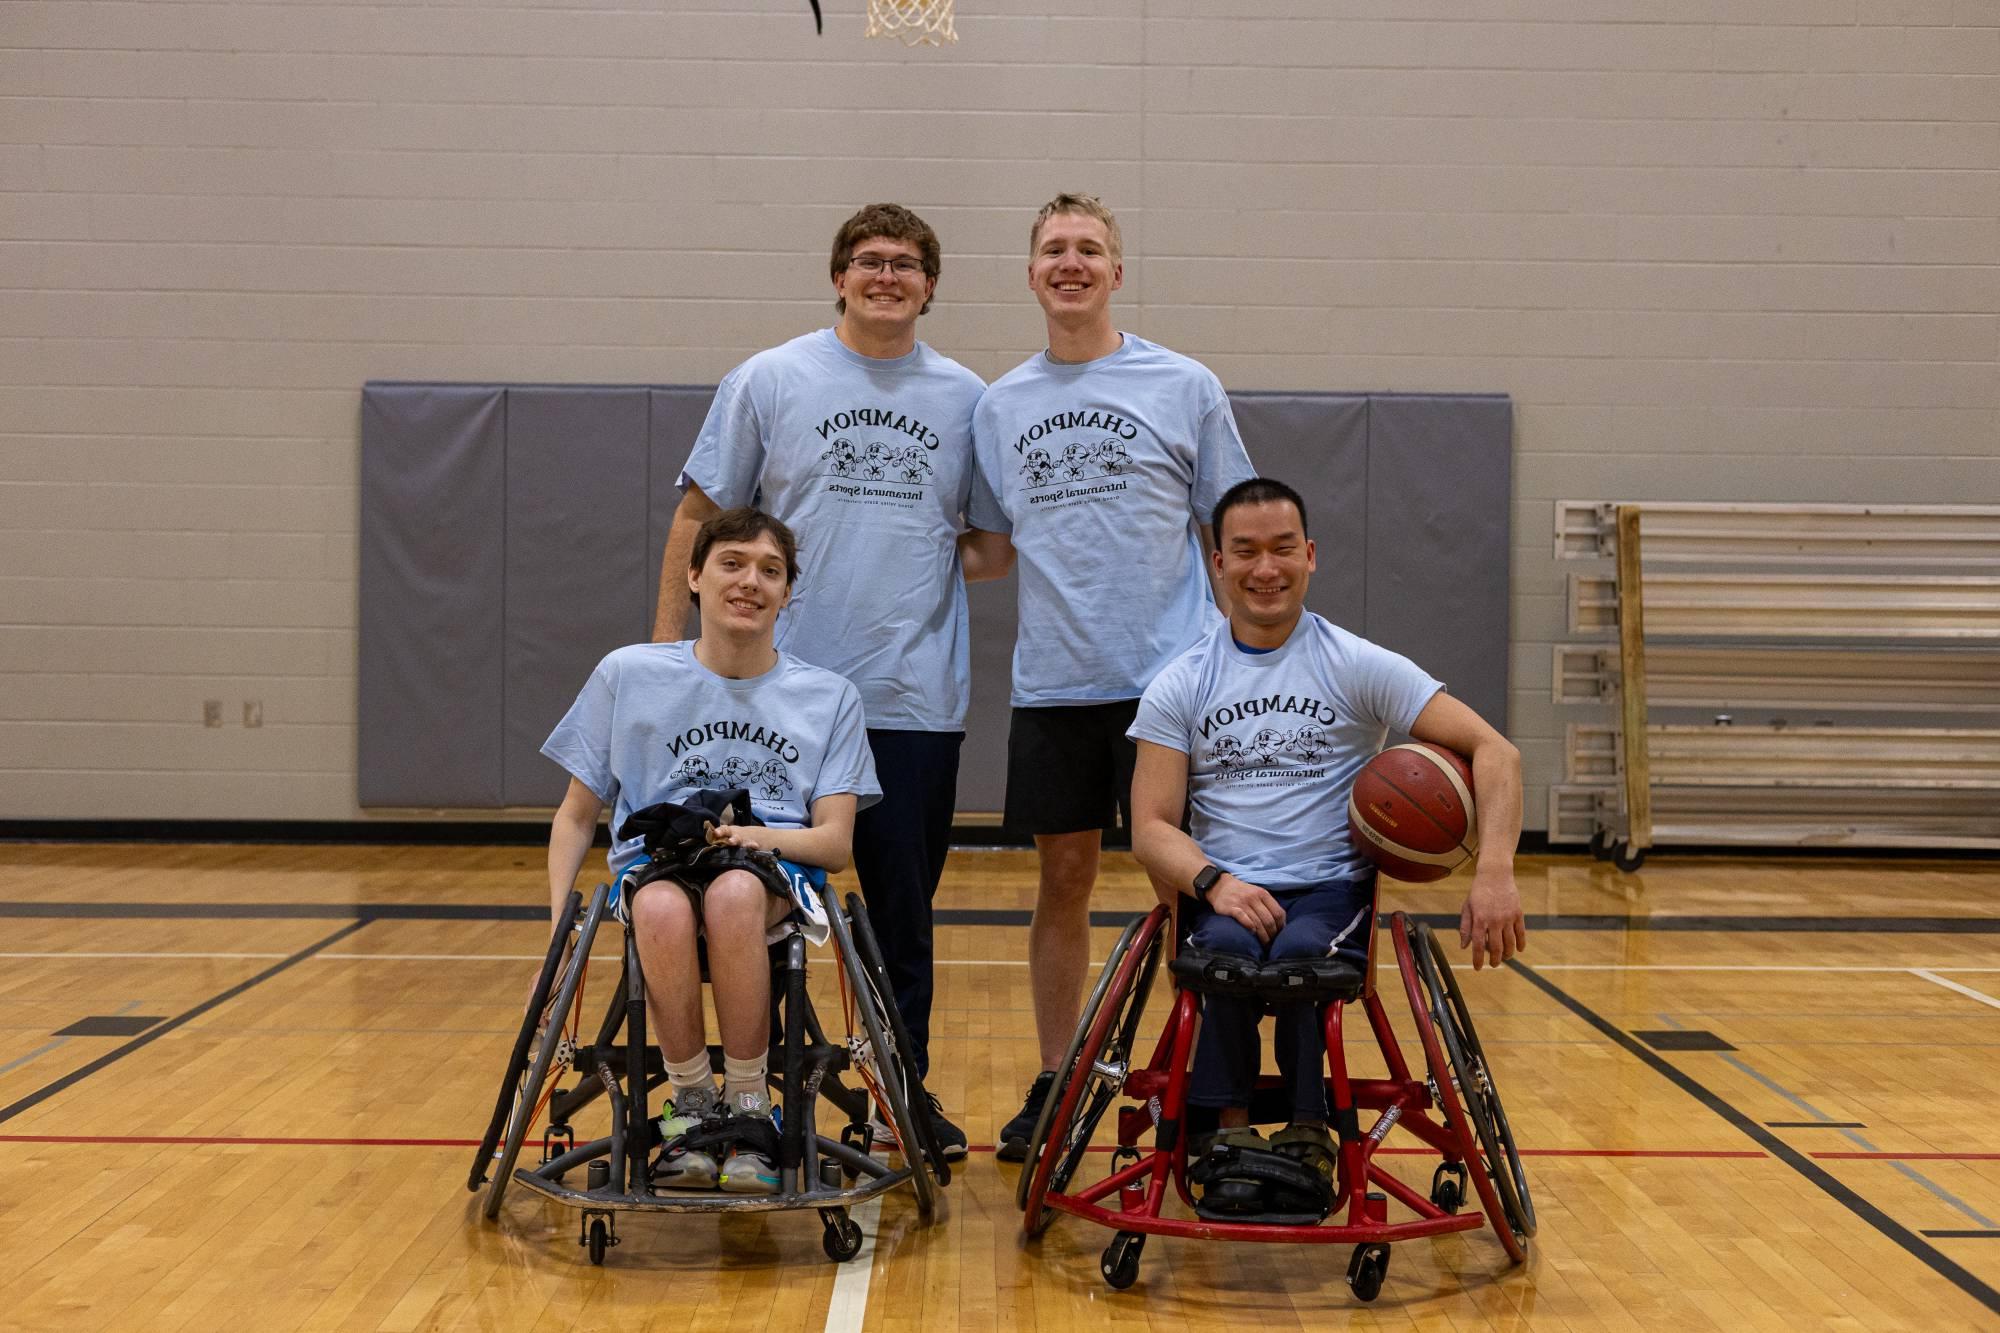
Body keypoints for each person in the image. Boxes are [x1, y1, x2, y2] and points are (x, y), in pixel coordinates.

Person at [651, 204, 1006, 1159]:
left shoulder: (970, 397)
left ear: (932, 284)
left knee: (899, 918)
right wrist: (666, 658)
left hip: (911, 702)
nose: (885, 276)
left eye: (905, 264)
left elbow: (991, 545)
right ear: (838, 276)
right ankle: (741, 1100)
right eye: (867, 261)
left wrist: (909, 569)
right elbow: (698, 520)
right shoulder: (770, 379)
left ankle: (901, 1092)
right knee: (737, 894)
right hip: (774, 699)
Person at [1127, 476, 1527, 1207]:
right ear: (1217, 563)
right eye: (1244, 551)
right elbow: (1150, 826)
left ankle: (1313, 1128)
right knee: (1224, 956)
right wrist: (1216, 882)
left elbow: (1496, 752)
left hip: (1328, 886)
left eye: (1283, 548)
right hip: (1225, 883)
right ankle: (1227, 1131)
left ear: (1310, 555)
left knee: (1304, 959)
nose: (1265, 568)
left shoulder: (1355, 662)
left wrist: (1495, 868)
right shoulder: (1179, 682)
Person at [968, 193, 1257, 1159]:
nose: (1072, 262)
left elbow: (1238, 532)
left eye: (1090, 248)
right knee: (1065, 878)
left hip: (1173, 690)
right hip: (1055, 685)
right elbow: (989, 552)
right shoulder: (999, 405)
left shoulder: (1184, 385)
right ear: (1032, 271)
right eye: (1054, 248)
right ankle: (1060, 1082)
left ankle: (1208, 1090)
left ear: (1117, 272)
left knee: (1187, 889)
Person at [545, 508, 881, 1193]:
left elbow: (837, 842)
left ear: (788, 592)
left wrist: (756, 838)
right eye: (732, 563)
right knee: (662, 910)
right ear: (694, 576)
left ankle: (752, 1105)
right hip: (662, 865)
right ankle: (692, 1105)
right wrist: (557, 936)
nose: (750, 581)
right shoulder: (627, 674)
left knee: (732, 893)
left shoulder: (829, 696)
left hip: (772, 871)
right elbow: (576, 817)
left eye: (770, 570)